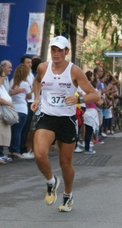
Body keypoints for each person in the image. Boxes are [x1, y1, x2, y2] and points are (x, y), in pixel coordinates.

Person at [30, 36, 100, 212]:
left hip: (67, 120)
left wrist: (78, 98)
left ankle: (68, 195)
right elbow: (37, 81)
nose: (56, 53)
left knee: (65, 163)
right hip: (47, 117)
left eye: (60, 50)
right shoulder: (43, 67)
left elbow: (95, 95)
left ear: (66, 52)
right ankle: (51, 181)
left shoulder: (74, 71)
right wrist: (37, 98)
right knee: (39, 154)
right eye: (53, 49)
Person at [8, 64, 32, 158]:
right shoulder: (25, 83)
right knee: (19, 130)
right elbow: (29, 96)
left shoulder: (12, 81)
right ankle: (16, 150)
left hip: (13, 108)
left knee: (13, 130)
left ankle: (11, 149)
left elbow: (9, 93)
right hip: (22, 109)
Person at [0, 60, 13, 163]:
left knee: (4, 133)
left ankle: (1, 153)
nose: (11, 69)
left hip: (5, 109)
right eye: (9, 67)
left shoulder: (7, 79)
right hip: (0, 110)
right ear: (3, 68)